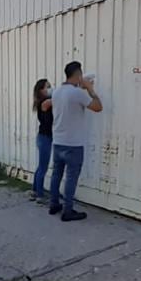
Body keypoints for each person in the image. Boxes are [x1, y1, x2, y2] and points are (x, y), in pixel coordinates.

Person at [49, 61, 103, 221]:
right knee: (71, 177)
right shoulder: (77, 94)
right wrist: (90, 89)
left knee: (56, 175)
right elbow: (98, 107)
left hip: (58, 142)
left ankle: (53, 204)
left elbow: (69, 101)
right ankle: (68, 210)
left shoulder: (57, 91)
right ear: (79, 75)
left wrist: (81, 88)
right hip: (73, 144)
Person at [30, 78, 53, 204]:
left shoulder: (42, 102)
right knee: (43, 167)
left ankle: (35, 190)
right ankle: (40, 195)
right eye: (47, 87)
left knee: (41, 166)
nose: (49, 89)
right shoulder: (45, 103)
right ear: (41, 90)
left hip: (43, 137)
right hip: (45, 138)